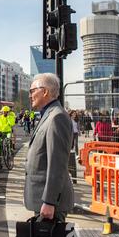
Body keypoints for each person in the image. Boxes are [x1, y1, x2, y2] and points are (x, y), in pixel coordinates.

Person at [25, 73, 74, 221]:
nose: (30, 95)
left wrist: (49, 201)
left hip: (50, 203)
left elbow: (57, 164)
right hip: (41, 199)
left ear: (45, 91)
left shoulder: (57, 117)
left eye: (33, 90)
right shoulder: (49, 114)